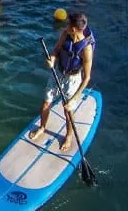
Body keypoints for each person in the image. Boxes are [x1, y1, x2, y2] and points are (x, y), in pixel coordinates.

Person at [28, 12, 95, 151]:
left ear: (74, 29)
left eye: (68, 24)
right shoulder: (65, 35)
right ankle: (42, 127)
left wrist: (74, 99)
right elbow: (56, 51)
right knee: (46, 103)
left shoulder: (86, 49)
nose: (65, 26)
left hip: (73, 79)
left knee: (68, 111)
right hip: (58, 72)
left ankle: (69, 136)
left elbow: (87, 77)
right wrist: (52, 60)